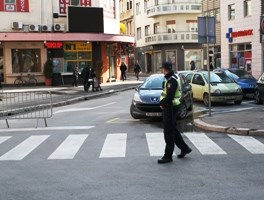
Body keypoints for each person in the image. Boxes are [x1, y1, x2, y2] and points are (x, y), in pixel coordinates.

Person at [158, 61, 192, 164]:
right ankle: (185, 148)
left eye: (162, 68)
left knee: (168, 133)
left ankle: (168, 156)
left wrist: (162, 103)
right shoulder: (171, 78)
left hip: (170, 107)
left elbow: (169, 97)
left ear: (165, 69)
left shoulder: (171, 80)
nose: (161, 70)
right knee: (173, 129)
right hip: (172, 107)